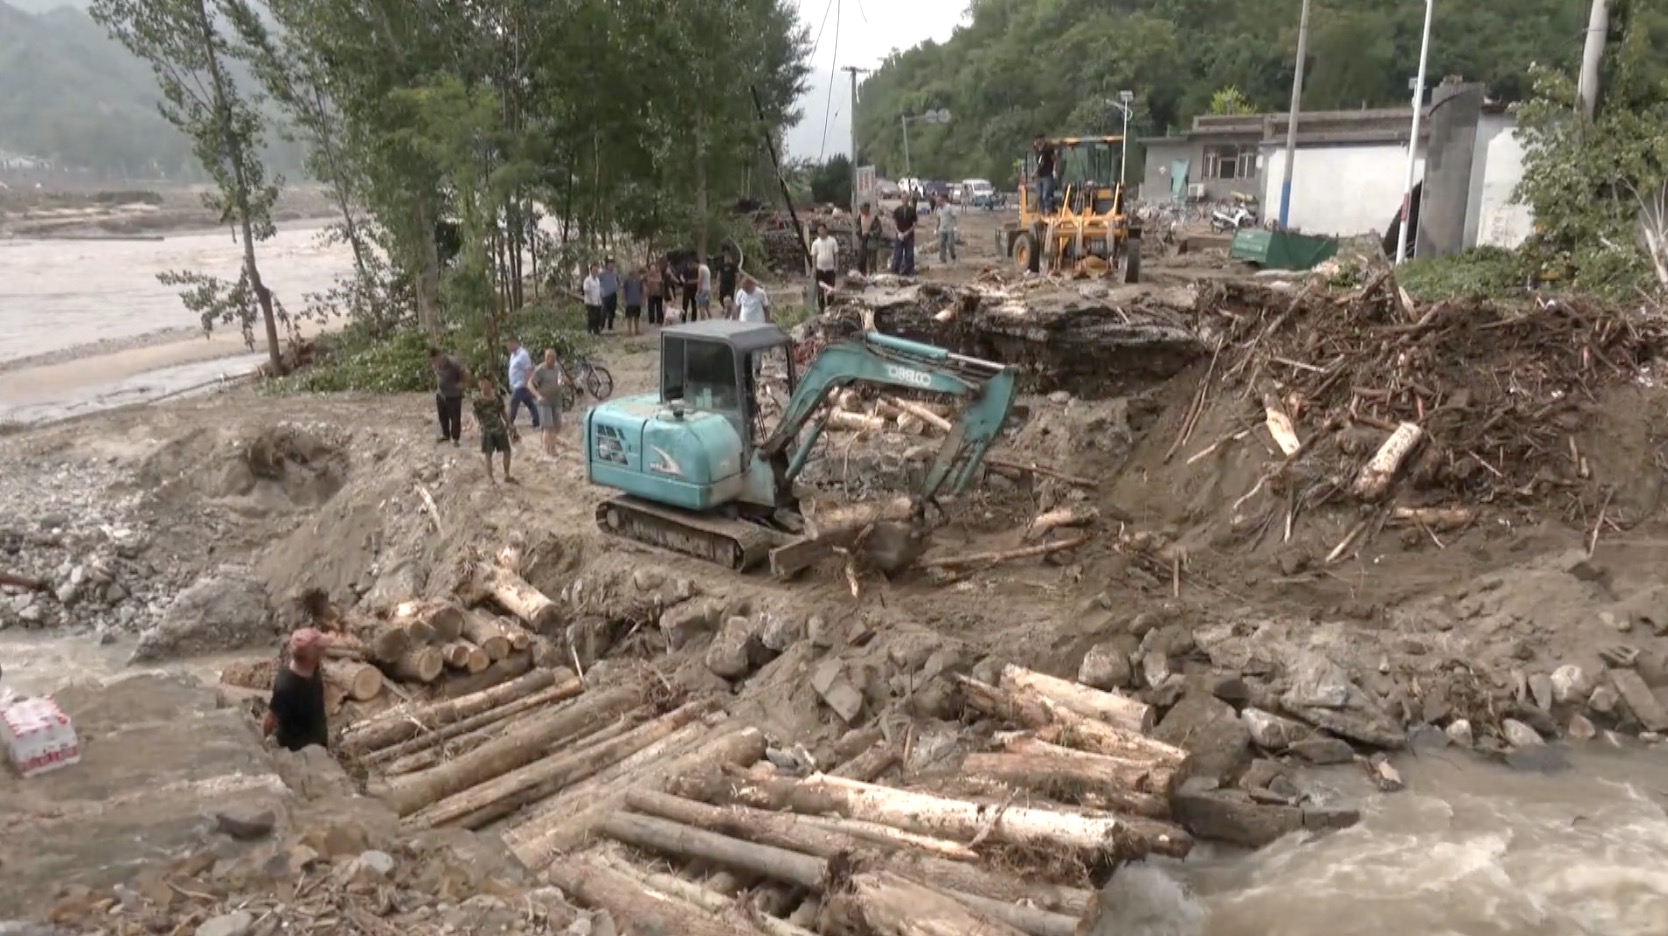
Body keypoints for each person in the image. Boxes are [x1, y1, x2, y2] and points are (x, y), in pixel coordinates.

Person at [263, 628, 331, 752]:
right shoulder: (286, 687)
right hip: (298, 752)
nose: (324, 652)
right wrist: (261, 743)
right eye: (321, 650)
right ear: (312, 656)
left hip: (318, 747)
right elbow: (271, 718)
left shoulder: (310, 667)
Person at [471, 376, 517, 484]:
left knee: (507, 451)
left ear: (490, 384)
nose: (484, 387)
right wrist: (477, 424)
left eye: (486, 384)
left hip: (498, 427)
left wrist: (509, 424)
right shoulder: (477, 400)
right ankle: (490, 477)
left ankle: (507, 474)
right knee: (488, 454)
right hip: (486, 429)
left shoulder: (496, 397)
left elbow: (502, 412)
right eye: (482, 384)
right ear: (479, 385)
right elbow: (474, 414)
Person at [428, 346, 468, 445]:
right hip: (441, 393)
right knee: (443, 416)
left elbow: (465, 372)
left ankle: (455, 438)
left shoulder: (453, 362)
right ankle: (445, 434)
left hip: (453, 394)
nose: (434, 362)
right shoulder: (435, 364)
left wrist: (462, 384)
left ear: (440, 355)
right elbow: (437, 375)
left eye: (435, 359)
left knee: (455, 417)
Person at [530, 348, 565, 458]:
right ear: (546, 358)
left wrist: (562, 383)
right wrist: (537, 395)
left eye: (553, 358)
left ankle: (551, 444)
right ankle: (549, 449)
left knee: (557, 425)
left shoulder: (557, 367)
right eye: (549, 358)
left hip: (556, 399)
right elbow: (530, 384)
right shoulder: (540, 370)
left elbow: (560, 378)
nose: (552, 360)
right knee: (547, 426)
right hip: (544, 401)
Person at [505, 338, 539, 430]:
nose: (508, 347)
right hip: (515, 384)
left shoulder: (523, 355)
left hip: (521, 384)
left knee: (513, 403)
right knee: (529, 403)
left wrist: (527, 383)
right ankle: (537, 421)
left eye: (509, 345)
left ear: (515, 343)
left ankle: (509, 423)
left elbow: (528, 370)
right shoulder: (513, 355)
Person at [811, 222, 839, 310]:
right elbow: (814, 256)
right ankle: (821, 308)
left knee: (830, 290)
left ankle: (831, 308)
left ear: (826, 230)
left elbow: (836, 254)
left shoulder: (832, 241)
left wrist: (836, 265)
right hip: (820, 269)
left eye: (822, 230)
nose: (821, 232)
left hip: (830, 269)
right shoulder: (816, 243)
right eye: (819, 230)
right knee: (821, 291)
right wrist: (814, 268)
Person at [890, 195, 917, 276]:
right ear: (901, 200)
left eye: (906, 199)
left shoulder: (912, 210)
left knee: (909, 254)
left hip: (909, 235)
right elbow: (894, 223)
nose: (905, 201)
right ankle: (895, 270)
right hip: (899, 234)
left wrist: (908, 232)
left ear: (908, 200)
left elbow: (915, 224)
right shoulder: (897, 210)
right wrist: (898, 232)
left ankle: (909, 271)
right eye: (903, 199)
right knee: (898, 253)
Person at [855, 202, 881, 275]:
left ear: (867, 208)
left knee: (872, 259)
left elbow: (878, 229)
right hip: (862, 239)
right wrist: (858, 232)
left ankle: (872, 275)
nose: (862, 210)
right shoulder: (860, 217)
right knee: (861, 259)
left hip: (871, 240)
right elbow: (857, 226)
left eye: (863, 208)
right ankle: (862, 275)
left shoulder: (874, 217)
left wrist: (871, 233)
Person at [1034, 136, 1058, 214]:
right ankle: (1041, 212)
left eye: (1036, 139)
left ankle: (1048, 211)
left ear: (1040, 140)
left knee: (1046, 195)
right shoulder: (1037, 151)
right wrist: (1035, 172)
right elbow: (1038, 163)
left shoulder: (1048, 149)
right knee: (1039, 196)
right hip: (1039, 176)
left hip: (1047, 175)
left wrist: (1054, 170)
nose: (1035, 142)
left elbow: (1055, 160)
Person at [622, 266, 645, 337]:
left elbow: (642, 291)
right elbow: (624, 291)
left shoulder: (639, 280)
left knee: (637, 316)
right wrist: (623, 300)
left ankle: (637, 330)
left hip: (637, 301)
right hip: (629, 301)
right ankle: (629, 331)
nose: (634, 272)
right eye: (633, 270)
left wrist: (643, 300)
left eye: (635, 270)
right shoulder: (627, 280)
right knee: (629, 317)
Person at [599, 258, 621, 333]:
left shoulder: (615, 274)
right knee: (604, 311)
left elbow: (619, 282)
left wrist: (617, 287)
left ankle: (610, 327)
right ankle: (601, 327)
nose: (611, 266)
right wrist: (601, 291)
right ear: (607, 266)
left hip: (613, 294)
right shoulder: (603, 274)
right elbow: (597, 282)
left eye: (612, 265)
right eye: (610, 265)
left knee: (612, 311)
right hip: (605, 295)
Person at [582, 264, 604, 335]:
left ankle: (596, 331)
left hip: (597, 301)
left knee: (598, 317)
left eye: (596, 270)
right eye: (594, 270)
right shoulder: (588, 280)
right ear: (590, 271)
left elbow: (599, 290)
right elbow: (585, 289)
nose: (595, 272)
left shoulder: (597, 280)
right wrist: (590, 297)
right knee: (591, 317)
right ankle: (589, 331)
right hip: (590, 302)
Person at [936, 198, 958, 263]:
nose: (937, 204)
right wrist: (936, 229)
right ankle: (942, 258)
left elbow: (954, 217)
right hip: (942, 229)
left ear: (941, 201)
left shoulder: (949, 207)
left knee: (950, 243)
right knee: (941, 243)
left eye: (938, 202)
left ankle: (953, 254)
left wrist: (955, 226)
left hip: (950, 228)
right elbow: (938, 220)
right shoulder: (938, 210)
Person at [646, 261, 666, 326]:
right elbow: (648, 281)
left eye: (654, 268)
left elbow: (660, 280)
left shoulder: (658, 274)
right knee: (651, 308)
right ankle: (651, 321)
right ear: (650, 269)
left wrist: (654, 281)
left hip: (658, 293)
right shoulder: (648, 274)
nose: (653, 270)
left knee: (659, 307)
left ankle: (660, 320)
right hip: (651, 293)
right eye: (651, 268)